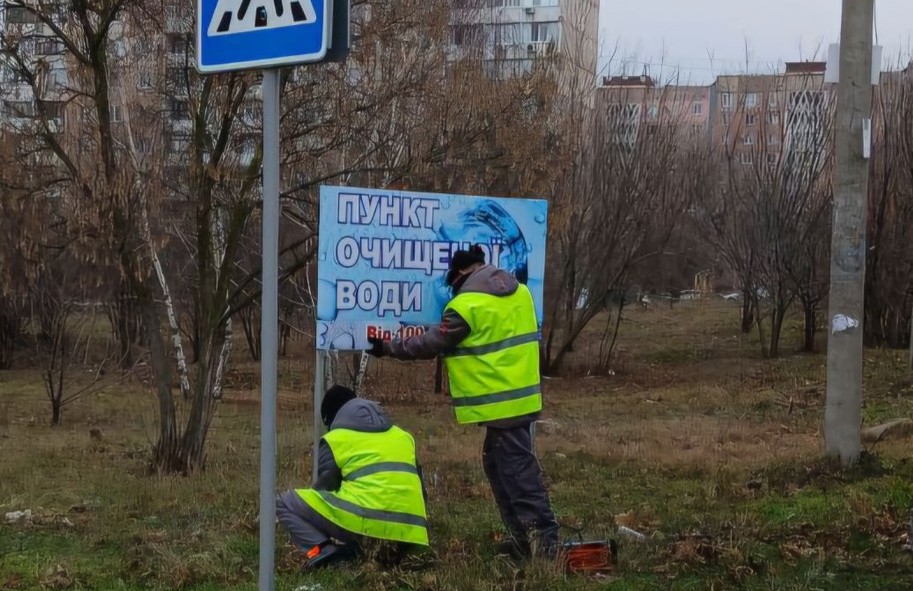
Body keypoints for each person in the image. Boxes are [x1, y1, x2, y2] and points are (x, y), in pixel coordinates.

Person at [368, 245, 559, 559]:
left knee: (516, 470)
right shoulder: (520, 292)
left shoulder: (466, 305)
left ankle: (544, 544)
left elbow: (430, 342)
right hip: (520, 398)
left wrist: (388, 346)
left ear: (459, 275)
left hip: (500, 403)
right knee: (498, 463)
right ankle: (525, 538)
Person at [276, 385, 429, 569]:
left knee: (282, 502)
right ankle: (375, 552)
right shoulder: (404, 436)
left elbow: (324, 492)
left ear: (331, 418)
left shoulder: (336, 438)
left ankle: (321, 553)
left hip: (368, 526)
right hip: (411, 534)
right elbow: (421, 492)